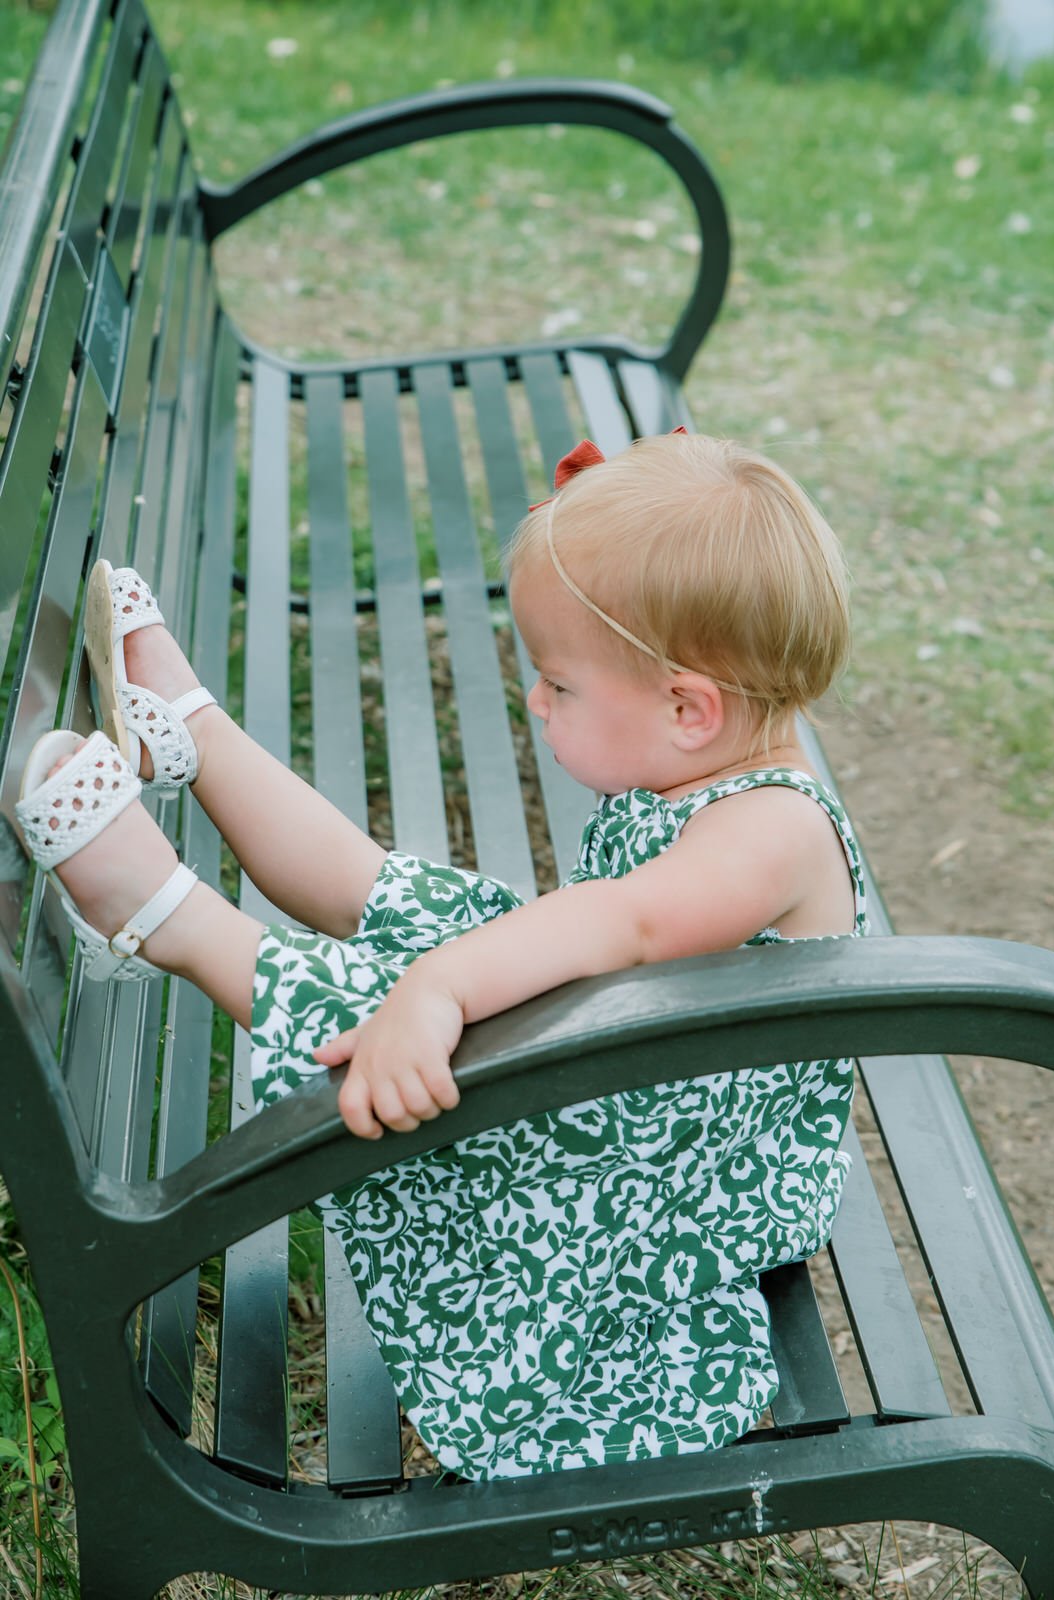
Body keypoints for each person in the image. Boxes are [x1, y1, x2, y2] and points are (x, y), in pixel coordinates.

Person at [16, 430, 867, 1480]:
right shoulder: (719, 763)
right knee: (409, 900)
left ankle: (163, 919)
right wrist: (448, 956)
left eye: (557, 684)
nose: (535, 701)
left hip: (671, 1183)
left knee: (419, 995)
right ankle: (193, 734)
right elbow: (601, 934)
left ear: (691, 709)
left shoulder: (773, 827)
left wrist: (438, 986)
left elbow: (629, 925)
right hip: (644, 1080)